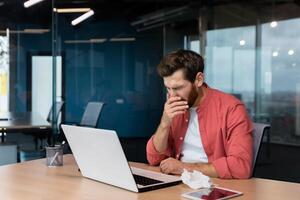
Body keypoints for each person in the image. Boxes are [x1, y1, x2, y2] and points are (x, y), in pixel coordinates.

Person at [146, 49, 253, 179]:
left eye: (178, 88)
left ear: (199, 80)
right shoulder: (175, 107)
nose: (172, 96)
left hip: (215, 185)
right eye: (168, 88)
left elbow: (240, 167)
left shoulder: (232, 108)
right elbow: (153, 158)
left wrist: (183, 167)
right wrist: (165, 123)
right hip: (178, 181)